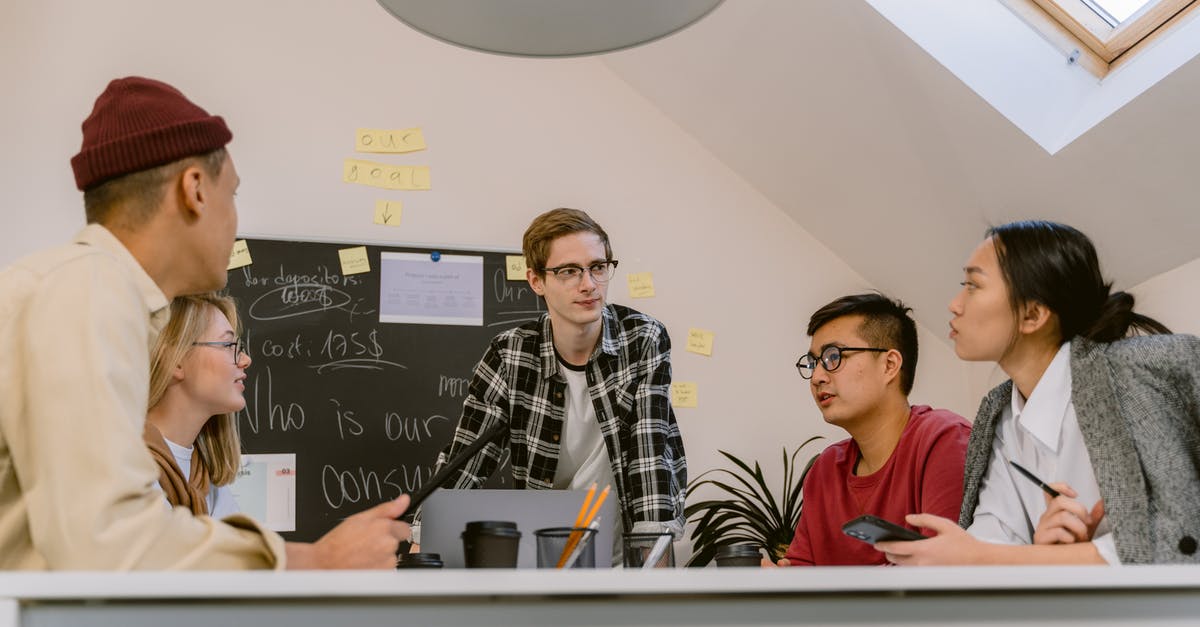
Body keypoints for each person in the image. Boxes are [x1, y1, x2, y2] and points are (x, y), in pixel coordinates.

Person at [0, 76, 408, 570]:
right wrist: (314, 559)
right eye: (232, 194)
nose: (235, 218)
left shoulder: (94, 293)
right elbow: (109, 542)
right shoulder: (90, 288)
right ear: (194, 189)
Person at [878, 220, 1200, 565]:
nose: (955, 304)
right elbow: (994, 538)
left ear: (1032, 314)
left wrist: (999, 558)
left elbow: (1181, 542)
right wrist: (1040, 551)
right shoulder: (999, 417)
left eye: (973, 285)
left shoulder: (1133, 375)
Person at [426, 208, 687, 547]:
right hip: (544, 550)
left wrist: (654, 564)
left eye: (598, 267)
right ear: (536, 280)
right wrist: (423, 539)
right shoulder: (510, 353)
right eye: (569, 271)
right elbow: (466, 459)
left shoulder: (642, 339)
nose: (589, 284)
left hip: (626, 547)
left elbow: (649, 449)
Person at [773, 293, 970, 566]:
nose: (817, 377)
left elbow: (940, 574)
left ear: (889, 365)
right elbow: (802, 572)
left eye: (834, 357)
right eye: (814, 362)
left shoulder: (943, 439)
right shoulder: (825, 469)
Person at [144, 293, 249, 517]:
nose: (244, 359)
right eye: (228, 344)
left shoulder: (204, 481)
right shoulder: (127, 473)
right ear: (176, 360)